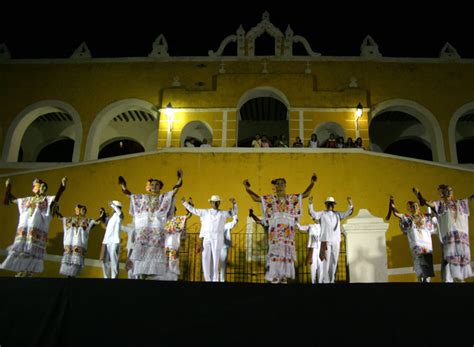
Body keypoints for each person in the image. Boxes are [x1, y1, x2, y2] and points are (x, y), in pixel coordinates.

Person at [243, 173, 317, 284]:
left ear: (285, 185)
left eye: (282, 183)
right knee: (275, 253)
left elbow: (305, 194)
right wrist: (247, 188)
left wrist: (312, 183)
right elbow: (256, 198)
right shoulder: (270, 199)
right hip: (275, 234)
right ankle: (275, 277)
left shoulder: (292, 199)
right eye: (278, 184)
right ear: (275, 187)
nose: (280, 186)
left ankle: (283, 278)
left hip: (287, 233)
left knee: (286, 254)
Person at [119, 170, 183, 279]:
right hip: (144, 231)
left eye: (157, 185)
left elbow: (174, 190)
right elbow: (131, 196)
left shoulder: (163, 198)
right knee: (141, 254)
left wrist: (180, 179)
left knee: (155, 255)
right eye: (152, 184)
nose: (154, 186)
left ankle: (153, 276)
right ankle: (141, 275)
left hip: (156, 231)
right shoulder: (143, 198)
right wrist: (123, 186)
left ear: (160, 187)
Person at [1, 176, 67, 277]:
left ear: (42, 187)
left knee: (32, 250)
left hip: (36, 229)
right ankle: (21, 270)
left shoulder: (46, 200)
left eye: (36, 185)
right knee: (22, 250)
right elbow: (13, 199)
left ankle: (29, 271)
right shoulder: (28, 200)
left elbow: (56, 198)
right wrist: (8, 186)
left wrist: (62, 186)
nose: (34, 187)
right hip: (25, 229)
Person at [413, 185, 473, 282]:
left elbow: (470, 199)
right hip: (449, 238)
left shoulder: (461, 203)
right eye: (445, 191)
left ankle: (458, 280)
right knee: (447, 260)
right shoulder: (440, 205)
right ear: (442, 194)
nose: (448, 192)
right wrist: (418, 195)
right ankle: (446, 280)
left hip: (461, 239)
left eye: (450, 190)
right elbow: (426, 203)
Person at [182, 196, 237, 282]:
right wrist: (185, 203)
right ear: (210, 203)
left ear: (219, 203)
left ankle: (215, 279)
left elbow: (233, 213)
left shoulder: (223, 213)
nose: (215, 203)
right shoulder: (205, 212)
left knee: (215, 258)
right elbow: (194, 210)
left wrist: (234, 204)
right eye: (213, 202)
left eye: (217, 202)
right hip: (207, 237)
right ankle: (207, 279)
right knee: (205, 257)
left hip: (217, 237)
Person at [386, 196, 436, 282]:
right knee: (419, 262)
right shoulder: (408, 218)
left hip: (426, 244)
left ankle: (426, 279)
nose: (415, 207)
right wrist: (392, 203)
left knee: (427, 264)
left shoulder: (425, 216)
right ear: (409, 209)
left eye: (416, 206)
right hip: (416, 243)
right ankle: (420, 278)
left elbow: (435, 214)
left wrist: (429, 205)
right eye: (412, 206)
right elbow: (396, 213)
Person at [309, 196, 353, 283]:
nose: (330, 205)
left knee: (334, 261)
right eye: (328, 203)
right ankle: (326, 281)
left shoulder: (337, 214)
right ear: (326, 205)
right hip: (326, 241)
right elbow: (313, 213)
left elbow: (347, 213)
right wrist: (310, 204)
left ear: (334, 205)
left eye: (331, 203)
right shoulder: (322, 214)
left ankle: (331, 280)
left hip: (336, 240)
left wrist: (350, 204)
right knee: (326, 261)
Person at [55, 204, 105, 278]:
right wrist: (56, 210)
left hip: (79, 244)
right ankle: (68, 278)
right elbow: (61, 217)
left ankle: (72, 277)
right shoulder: (70, 219)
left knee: (75, 264)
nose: (84, 211)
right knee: (68, 262)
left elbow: (94, 223)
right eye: (82, 209)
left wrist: (101, 216)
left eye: (85, 210)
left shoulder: (86, 221)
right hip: (70, 244)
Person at [296, 196, 322, 284]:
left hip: (322, 248)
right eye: (316, 218)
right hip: (313, 249)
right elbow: (300, 227)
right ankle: (313, 283)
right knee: (313, 267)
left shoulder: (325, 228)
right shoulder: (311, 226)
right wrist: (296, 219)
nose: (316, 219)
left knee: (321, 268)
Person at [100, 200, 124, 279]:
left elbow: (120, 213)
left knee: (114, 260)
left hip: (114, 241)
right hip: (106, 241)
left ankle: (114, 277)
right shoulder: (111, 218)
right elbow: (105, 223)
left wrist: (113, 205)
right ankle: (106, 277)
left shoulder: (119, 216)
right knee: (105, 260)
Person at [219, 210, 238, 282]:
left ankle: (222, 280)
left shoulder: (226, 225)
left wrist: (234, 214)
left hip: (223, 247)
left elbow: (235, 222)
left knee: (223, 266)